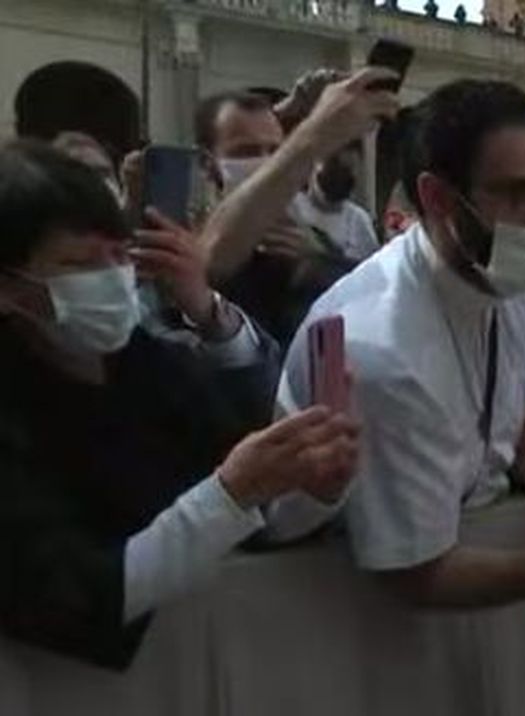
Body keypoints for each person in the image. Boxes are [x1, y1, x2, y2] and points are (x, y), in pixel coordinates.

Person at [0, 140, 358, 669]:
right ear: (10, 287)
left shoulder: (149, 363)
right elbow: (80, 597)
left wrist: (313, 489)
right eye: (78, 264)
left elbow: (255, 515)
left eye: (119, 256)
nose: (110, 278)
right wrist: (230, 494)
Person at [278, 79, 525, 608]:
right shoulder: (379, 348)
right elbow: (418, 574)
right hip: (339, 607)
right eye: (518, 194)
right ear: (438, 198)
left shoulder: (511, 272)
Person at [195, 81, 387, 344]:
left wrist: (315, 264)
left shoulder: (315, 242)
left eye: (276, 152)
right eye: (247, 151)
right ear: (207, 165)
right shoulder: (188, 239)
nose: (268, 164)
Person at [288, 142, 381, 263]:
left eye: (347, 170)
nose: (338, 176)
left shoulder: (358, 220)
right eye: (332, 166)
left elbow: (367, 267)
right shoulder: (291, 207)